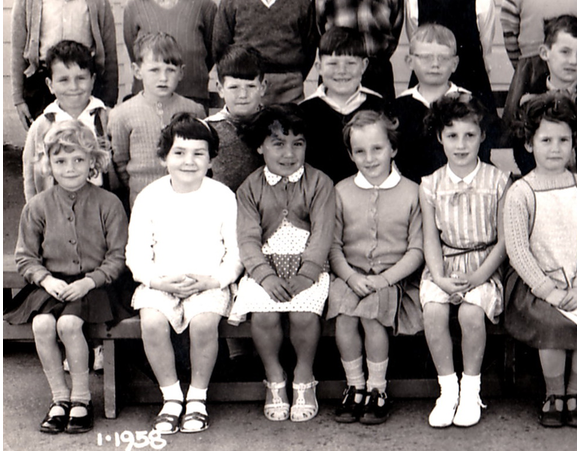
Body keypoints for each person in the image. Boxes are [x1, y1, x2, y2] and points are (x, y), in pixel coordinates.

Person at [5, 121, 130, 435]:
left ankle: (82, 399)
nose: (70, 168)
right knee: (42, 324)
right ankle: (59, 398)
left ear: (93, 161)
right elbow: (25, 256)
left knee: (69, 324)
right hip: (53, 285)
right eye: (60, 161)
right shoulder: (37, 206)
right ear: (48, 165)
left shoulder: (109, 204)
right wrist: (46, 280)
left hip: (95, 285)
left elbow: (118, 255)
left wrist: (91, 281)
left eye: (78, 160)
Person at [502, 92, 577, 428]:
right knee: (554, 324)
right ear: (528, 144)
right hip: (535, 283)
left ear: (574, 144)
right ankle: (554, 393)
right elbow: (518, 250)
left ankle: (576, 392)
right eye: (546, 139)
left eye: (563, 140)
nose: (555, 148)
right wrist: (547, 289)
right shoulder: (521, 191)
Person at [126, 114, 241, 434]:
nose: (188, 161)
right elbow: (136, 253)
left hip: (208, 282)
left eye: (198, 153)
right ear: (164, 158)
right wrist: (155, 280)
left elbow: (236, 252)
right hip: (161, 281)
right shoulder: (150, 196)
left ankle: (198, 398)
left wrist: (215, 280)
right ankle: (172, 397)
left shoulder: (222, 196)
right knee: (151, 321)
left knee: (204, 323)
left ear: (210, 158)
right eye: (179, 153)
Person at [230, 105, 337, 423]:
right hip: (267, 270)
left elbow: (322, 233)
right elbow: (247, 238)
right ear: (261, 146)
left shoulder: (320, 183)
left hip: (309, 269)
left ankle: (303, 375)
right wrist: (263, 276)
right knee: (263, 316)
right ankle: (274, 377)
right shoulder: (250, 187)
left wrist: (308, 273)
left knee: (304, 315)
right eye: (278, 143)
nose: (289, 153)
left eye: (298, 143)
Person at [418, 94, 511, 428]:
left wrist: (480, 275)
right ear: (440, 137)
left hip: (484, 265)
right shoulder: (430, 185)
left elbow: (504, 240)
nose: (461, 144)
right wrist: (440, 278)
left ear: (482, 136)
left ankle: (471, 388)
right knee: (434, 309)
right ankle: (448, 389)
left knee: (472, 312)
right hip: (444, 264)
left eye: (469, 135)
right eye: (452, 135)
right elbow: (430, 238)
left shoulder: (499, 181)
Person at [327, 111, 424, 425]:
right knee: (344, 317)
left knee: (370, 318)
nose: (369, 158)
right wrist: (351, 276)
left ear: (393, 149)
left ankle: (377, 389)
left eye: (377, 149)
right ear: (350, 154)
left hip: (392, 280)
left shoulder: (412, 192)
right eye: (360, 151)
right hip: (349, 275)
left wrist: (384, 278)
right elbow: (333, 245)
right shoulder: (340, 191)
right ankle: (354, 385)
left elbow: (417, 249)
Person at [503, 15, 577, 178]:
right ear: (544, 52)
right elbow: (522, 156)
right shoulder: (529, 102)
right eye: (565, 52)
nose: (573, 61)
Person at [109, 33, 206, 208]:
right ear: (137, 71)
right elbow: (120, 161)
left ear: (181, 73)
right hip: (144, 199)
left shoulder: (194, 110)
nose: (163, 78)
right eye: (154, 70)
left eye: (170, 70)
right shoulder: (121, 114)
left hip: (186, 197)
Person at [391, 24, 485, 184]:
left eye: (443, 58)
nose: (435, 64)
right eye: (426, 57)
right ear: (410, 61)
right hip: (412, 187)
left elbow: (482, 149)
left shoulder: (467, 101)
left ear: (454, 63)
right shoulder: (399, 107)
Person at [23, 41, 115, 200]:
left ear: (92, 81)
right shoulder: (42, 126)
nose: (73, 87)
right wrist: (35, 211)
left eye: (81, 78)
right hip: (56, 207)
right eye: (63, 80)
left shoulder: (107, 118)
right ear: (50, 85)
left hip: (101, 206)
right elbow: (30, 175)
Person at [299, 29, 386, 184]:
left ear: (364, 66)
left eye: (350, 63)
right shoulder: (303, 111)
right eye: (332, 63)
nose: (341, 71)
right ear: (319, 67)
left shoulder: (379, 106)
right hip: (320, 198)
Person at [205, 47, 268, 192]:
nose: (243, 95)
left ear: (263, 87)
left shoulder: (275, 126)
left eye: (251, 86)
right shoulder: (208, 130)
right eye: (234, 87)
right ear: (220, 89)